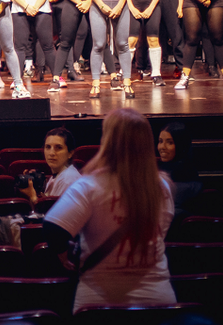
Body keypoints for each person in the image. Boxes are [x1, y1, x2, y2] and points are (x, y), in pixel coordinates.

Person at [43, 107, 176, 311]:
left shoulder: (89, 186)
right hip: (156, 300)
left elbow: (54, 227)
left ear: (108, 141)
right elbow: (160, 233)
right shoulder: (162, 187)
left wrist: (63, 256)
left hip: (99, 303)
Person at [10, 0, 59, 93]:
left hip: (41, 9)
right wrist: (26, 6)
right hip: (20, 9)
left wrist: (36, 6)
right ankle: (17, 80)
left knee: (47, 45)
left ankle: (56, 78)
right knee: (19, 46)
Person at [17, 127, 81, 207]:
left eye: (58, 148)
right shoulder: (58, 175)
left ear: (70, 153)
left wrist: (33, 197)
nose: (51, 153)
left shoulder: (68, 179)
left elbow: (55, 217)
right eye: (48, 147)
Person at [156, 122, 201, 220]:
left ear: (181, 145)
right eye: (160, 141)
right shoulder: (161, 168)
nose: (162, 147)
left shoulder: (185, 175)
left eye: (170, 142)